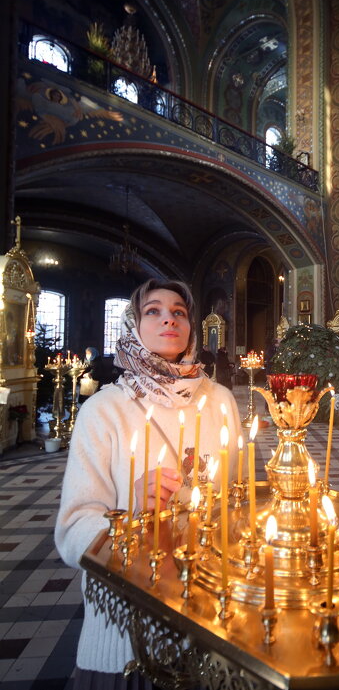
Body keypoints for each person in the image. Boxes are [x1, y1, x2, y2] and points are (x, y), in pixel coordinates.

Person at [55, 278, 241, 688]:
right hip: (127, 634)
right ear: (134, 326)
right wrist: (131, 511)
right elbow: (71, 532)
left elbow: (236, 503)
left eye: (179, 312)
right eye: (153, 311)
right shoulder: (104, 410)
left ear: (192, 327)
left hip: (210, 622)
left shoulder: (221, 402)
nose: (168, 319)